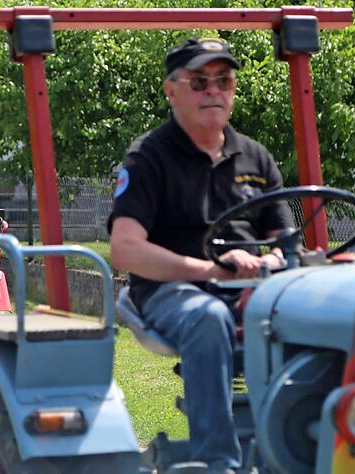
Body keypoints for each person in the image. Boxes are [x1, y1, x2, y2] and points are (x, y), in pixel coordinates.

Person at [108, 37, 294, 472]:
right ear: (172, 90)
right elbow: (125, 248)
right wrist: (211, 270)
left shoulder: (255, 156)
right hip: (170, 291)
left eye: (223, 80)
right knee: (209, 316)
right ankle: (219, 462)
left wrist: (271, 266)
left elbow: (288, 243)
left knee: (326, 316)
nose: (214, 90)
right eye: (199, 81)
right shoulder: (149, 157)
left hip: (248, 289)